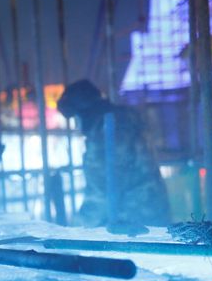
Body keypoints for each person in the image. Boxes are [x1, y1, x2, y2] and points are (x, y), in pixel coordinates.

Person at [57, 79, 170, 228]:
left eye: (75, 117)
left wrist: (73, 233)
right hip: (149, 214)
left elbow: (103, 191)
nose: (77, 125)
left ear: (84, 112)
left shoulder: (107, 130)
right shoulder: (123, 119)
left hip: (132, 223)